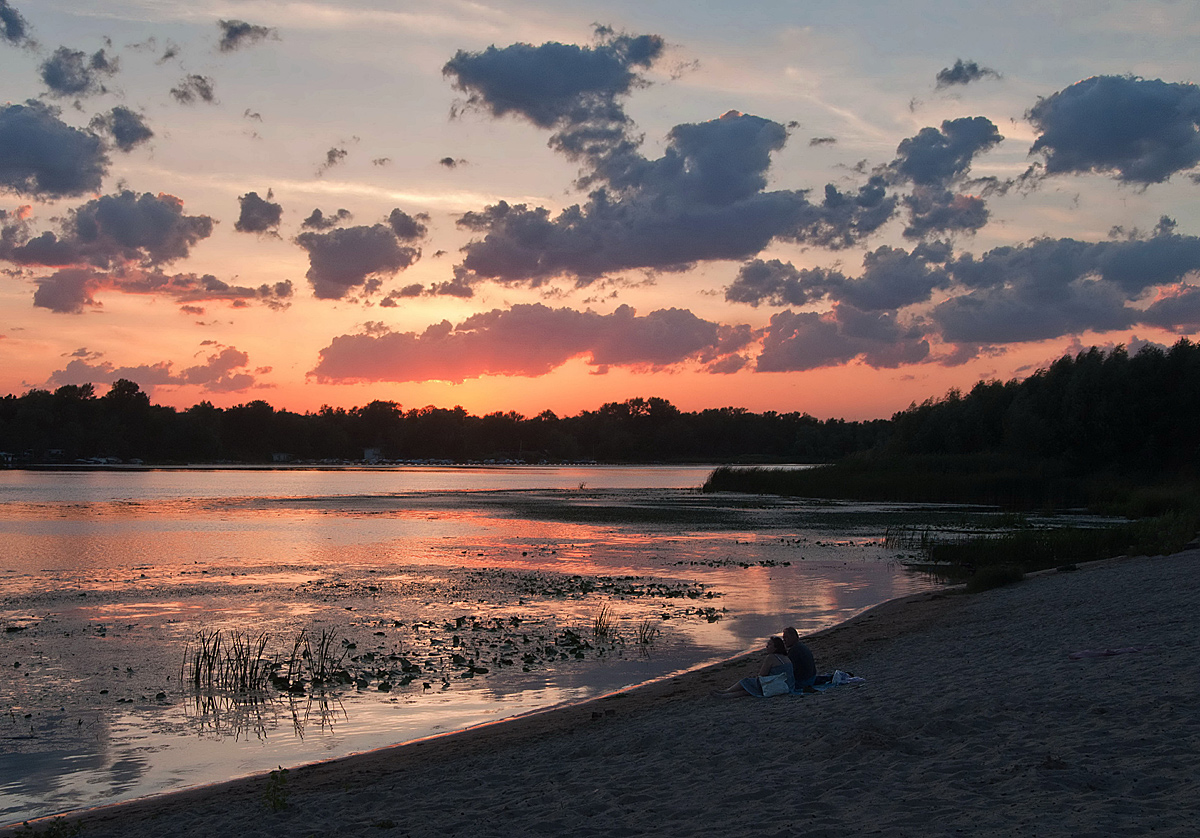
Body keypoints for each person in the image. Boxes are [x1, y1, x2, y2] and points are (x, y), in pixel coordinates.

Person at [712, 636, 794, 697]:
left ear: (776, 647)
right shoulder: (785, 657)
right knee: (749, 691)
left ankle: (726, 691)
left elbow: (762, 675)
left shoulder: (771, 657)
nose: (766, 647)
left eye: (769, 645)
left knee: (746, 682)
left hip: (776, 685)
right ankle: (724, 695)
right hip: (788, 686)